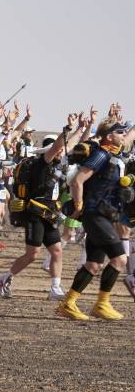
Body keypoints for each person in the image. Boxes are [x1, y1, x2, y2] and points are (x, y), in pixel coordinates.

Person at [0, 114, 86, 301]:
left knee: (57, 250)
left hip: (49, 214)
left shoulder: (54, 164)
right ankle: (4, 278)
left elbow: (68, 146)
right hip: (34, 214)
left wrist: (80, 129)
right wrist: (67, 128)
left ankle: (55, 288)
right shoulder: (41, 164)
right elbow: (59, 146)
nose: (62, 152)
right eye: (58, 150)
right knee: (32, 254)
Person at [57, 116, 134, 321]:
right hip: (95, 214)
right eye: (120, 133)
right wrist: (79, 205)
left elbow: (128, 137)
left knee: (93, 264)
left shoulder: (115, 156)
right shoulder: (101, 155)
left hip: (104, 215)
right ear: (110, 136)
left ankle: (68, 303)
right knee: (119, 260)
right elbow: (78, 181)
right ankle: (101, 304)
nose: (124, 135)